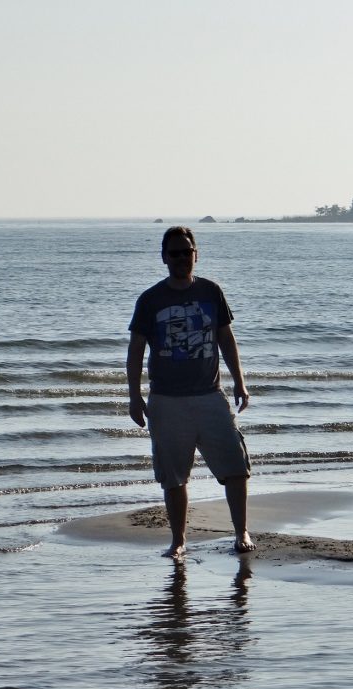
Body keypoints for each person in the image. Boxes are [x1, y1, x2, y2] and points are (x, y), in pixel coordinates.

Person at [127, 226, 255, 559]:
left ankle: (241, 532)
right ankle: (179, 540)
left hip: (211, 396)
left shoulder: (212, 292)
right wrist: (134, 396)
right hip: (166, 401)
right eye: (175, 253)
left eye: (187, 251)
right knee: (173, 476)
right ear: (164, 258)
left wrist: (239, 381)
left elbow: (226, 339)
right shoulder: (151, 300)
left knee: (236, 466)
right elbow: (136, 349)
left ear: (196, 253)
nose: (182, 258)